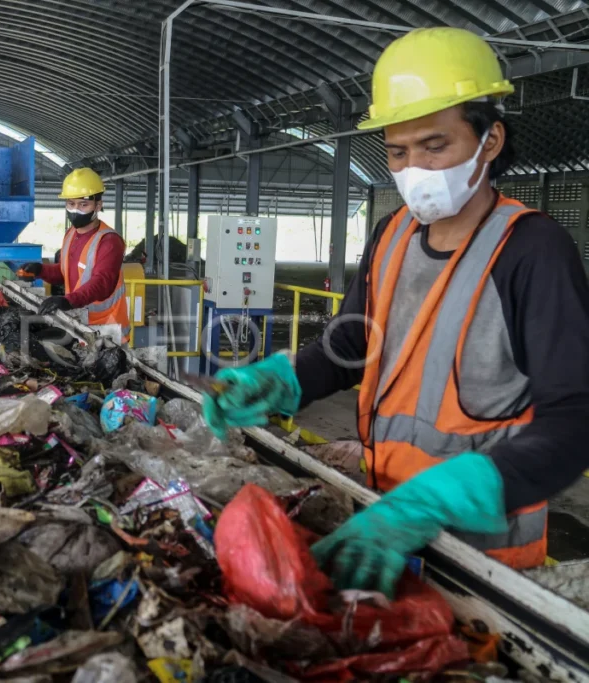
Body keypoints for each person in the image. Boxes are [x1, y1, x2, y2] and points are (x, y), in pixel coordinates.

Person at [203, 27, 589, 595]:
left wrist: (444, 495)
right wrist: (284, 379)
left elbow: (575, 421)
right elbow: (353, 342)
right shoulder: (391, 234)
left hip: (483, 558)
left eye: (436, 145)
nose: (416, 169)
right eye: (398, 151)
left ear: (491, 140)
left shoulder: (532, 251)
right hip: (377, 519)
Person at [18, 168, 130, 341]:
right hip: (80, 324)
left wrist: (68, 300)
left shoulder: (109, 241)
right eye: (71, 204)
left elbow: (102, 283)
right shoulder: (71, 234)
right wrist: (40, 270)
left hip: (107, 331)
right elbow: (66, 273)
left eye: (83, 205)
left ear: (98, 205)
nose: (75, 210)